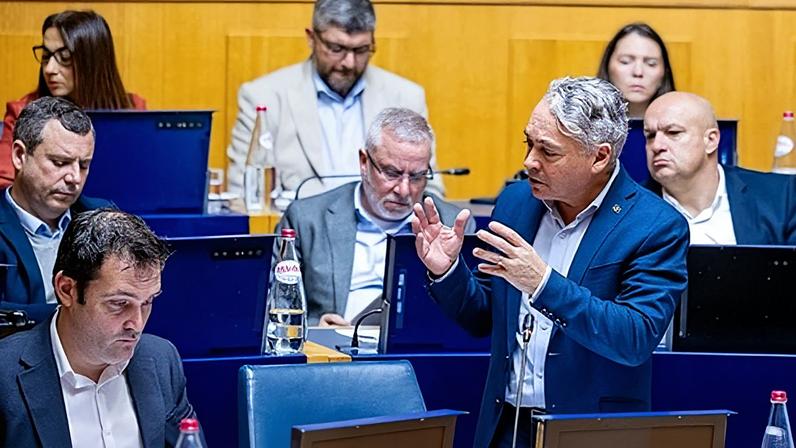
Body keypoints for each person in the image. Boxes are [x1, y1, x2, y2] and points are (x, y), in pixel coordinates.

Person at [412, 77, 689, 447]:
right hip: (505, 424)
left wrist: (543, 283)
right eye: (528, 143)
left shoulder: (655, 225)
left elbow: (634, 337)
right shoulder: (515, 203)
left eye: (548, 152)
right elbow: (485, 317)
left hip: (590, 429)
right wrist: (446, 271)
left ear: (600, 157)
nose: (529, 162)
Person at [0, 208, 202, 447]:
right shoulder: (5, 376)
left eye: (147, 302)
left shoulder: (160, 360)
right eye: (119, 304)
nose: (136, 324)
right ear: (67, 290)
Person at [227, 0, 445, 201]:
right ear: (311, 38)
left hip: (383, 234)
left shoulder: (405, 97)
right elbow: (243, 197)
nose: (348, 63)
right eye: (336, 49)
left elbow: (430, 190)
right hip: (299, 237)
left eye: (361, 50)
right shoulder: (264, 97)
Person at [277, 107, 473, 326]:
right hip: (332, 352)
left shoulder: (452, 225)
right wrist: (314, 329)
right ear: (364, 162)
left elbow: (473, 316)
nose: (404, 190)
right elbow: (274, 305)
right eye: (391, 173)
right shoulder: (308, 219)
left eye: (417, 176)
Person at [0, 10, 146, 187]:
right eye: (46, 56)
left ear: (93, 62)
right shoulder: (22, 111)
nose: (49, 69)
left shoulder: (132, 109)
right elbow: (4, 184)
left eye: (65, 57)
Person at [0, 96, 110, 323]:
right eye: (60, 162)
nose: (74, 178)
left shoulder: (102, 218)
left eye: (83, 165)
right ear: (20, 156)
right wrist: (72, 316)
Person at [644, 91, 796, 245]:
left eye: (673, 132)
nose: (656, 146)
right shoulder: (630, 208)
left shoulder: (783, 195)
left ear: (711, 140)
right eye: (650, 135)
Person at [597, 23, 675, 118]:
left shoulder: (683, 125)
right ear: (607, 66)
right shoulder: (581, 127)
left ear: (664, 72)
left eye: (651, 63)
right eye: (625, 61)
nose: (638, 72)